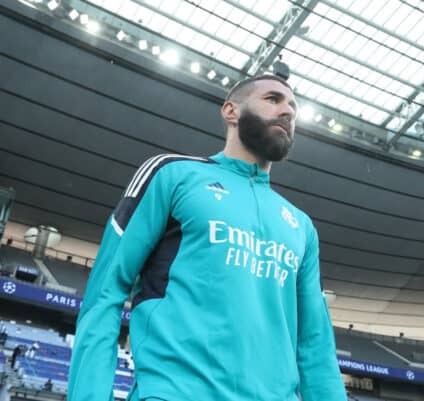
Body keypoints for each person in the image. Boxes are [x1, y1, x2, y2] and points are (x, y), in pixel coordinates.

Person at [68, 75, 346, 401]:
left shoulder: (301, 226)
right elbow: (105, 293)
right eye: (273, 99)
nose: (288, 111)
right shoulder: (172, 174)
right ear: (231, 111)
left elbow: (314, 346)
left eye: (293, 108)